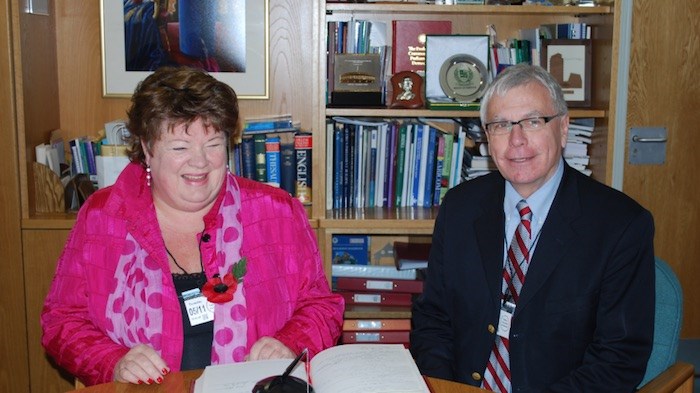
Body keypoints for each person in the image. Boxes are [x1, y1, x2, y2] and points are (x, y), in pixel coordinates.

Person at [41, 66, 344, 386]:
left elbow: (321, 307)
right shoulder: (103, 216)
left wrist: (290, 343)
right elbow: (61, 322)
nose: (200, 162)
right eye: (180, 147)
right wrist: (113, 362)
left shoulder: (277, 212)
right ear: (147, 148)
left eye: (213, 143)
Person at [410, 63, 655, 392]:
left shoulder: (621, 226)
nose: (516, 140)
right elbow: (433, 321)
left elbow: (619, 359)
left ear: (564, 128)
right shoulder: (459, 208)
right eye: (500, 125)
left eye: (533, 121)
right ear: (487, 136)